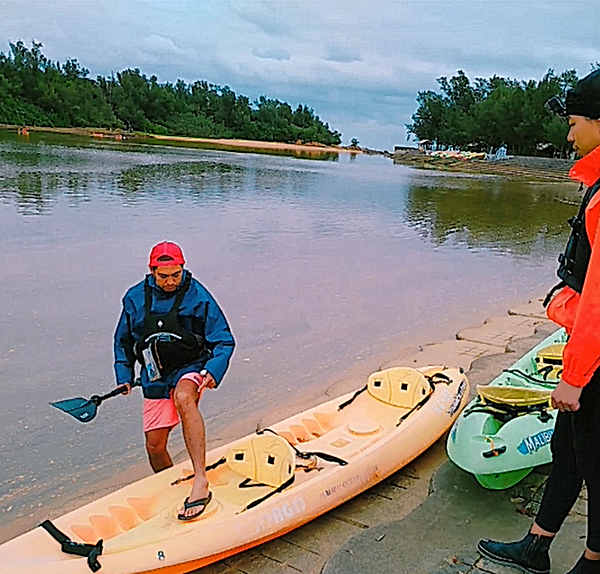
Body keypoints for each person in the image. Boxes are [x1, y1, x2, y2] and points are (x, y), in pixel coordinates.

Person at [477, 69, 600, 574]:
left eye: (574, 123)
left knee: (593, 460)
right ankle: (537, 545)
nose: (568, 135)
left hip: (593, 360)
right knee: (567, 450)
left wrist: (573, 376)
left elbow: (598, 300)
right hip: (588, 348)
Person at [114, 241, 235, 521]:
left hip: (191, 368)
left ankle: (201, 481)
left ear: (183, 268)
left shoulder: (198, 295)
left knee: (183, 397)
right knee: (155, 447)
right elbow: (123, 342)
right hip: (155, 375)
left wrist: (213, 372)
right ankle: (170, 485)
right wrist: (125, 376)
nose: (170, 281)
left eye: (175, 275)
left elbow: (224, 340)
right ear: (151, 271)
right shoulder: (134, 298)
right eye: (163, 276)